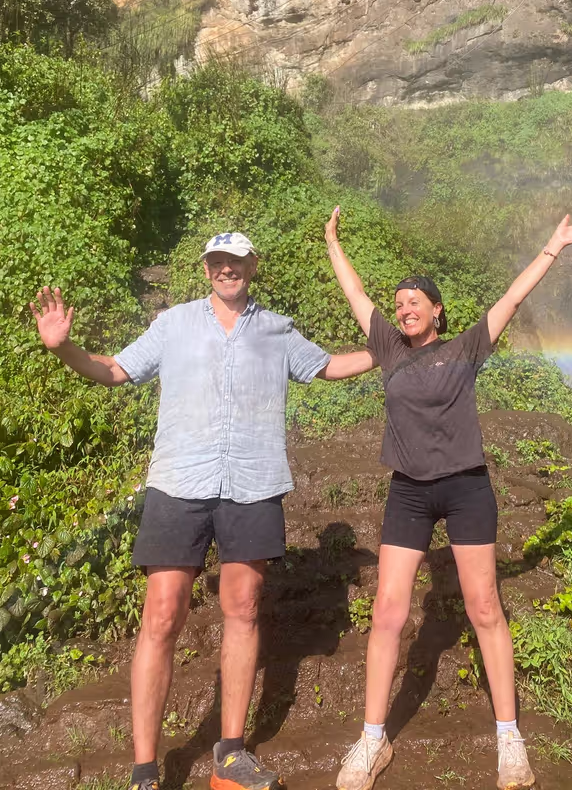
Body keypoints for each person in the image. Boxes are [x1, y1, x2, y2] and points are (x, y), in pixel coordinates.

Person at [30, 231, 375, 790]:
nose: (227, 269)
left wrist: (388, 350)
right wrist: (65, 348)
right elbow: (116, 370)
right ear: (207, 267)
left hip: (253, 482)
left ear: (252, 267)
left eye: (237, 261)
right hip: (178, 483)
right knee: (162, 614)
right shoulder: (173, 324)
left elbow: (327, 366)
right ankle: (144, 771)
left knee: (242, 607)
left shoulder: (276, 328)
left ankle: (231, 756)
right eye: (218, 261)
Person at [324, 209, 572, 790]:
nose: (403, 308)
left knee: (485, 609)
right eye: (398, 302)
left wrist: (553, 246)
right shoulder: (389, 348)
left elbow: (512, 299)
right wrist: (331, 243)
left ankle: (509, 740)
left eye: (414, 301)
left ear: (436, 309)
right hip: (408, 492)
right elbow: (353, 291)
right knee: (388, 613)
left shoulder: (469, 346)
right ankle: (372, 741)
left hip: (467, 487)